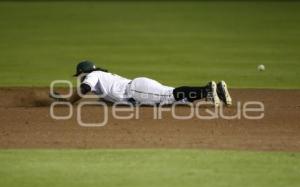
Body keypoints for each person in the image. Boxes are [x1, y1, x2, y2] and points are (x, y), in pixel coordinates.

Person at [50, 60, 232, 107]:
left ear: (83, 72)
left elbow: (84, 89)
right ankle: (214, 92)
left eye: (80, 75)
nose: (79, 78)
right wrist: (65, 99)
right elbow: (101, 96)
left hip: (136, 89)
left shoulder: (93, 75)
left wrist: (69, 102)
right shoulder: (101, 80)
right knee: (175, 99)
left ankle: (207, 89)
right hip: (138, 90)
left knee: (171, 94)